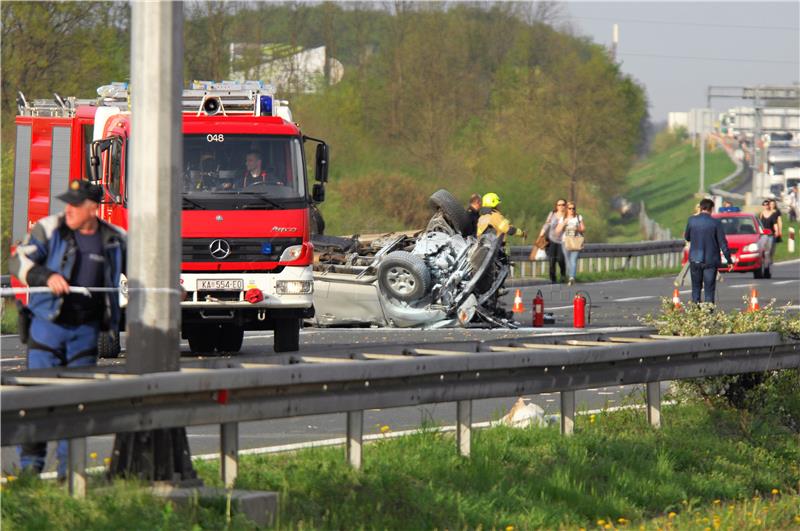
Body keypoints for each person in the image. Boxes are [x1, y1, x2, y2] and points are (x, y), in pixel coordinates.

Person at [9, 180, 126, 480]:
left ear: (92, 208)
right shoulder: (50, 228)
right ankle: (29, 473)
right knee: (38, 402)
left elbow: (145, 269)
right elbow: (17, 260)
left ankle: (69, 474)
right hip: (47, 329)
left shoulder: (114, 238)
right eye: (67, 203)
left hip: (85, 334)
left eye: (75, 204)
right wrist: (44, 275)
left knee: (76, 407)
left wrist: (169, 288)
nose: (69, 209)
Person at [684, 198, 733, 303]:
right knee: (709, 289)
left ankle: (695, 313)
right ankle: (708, 314)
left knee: (696, 288)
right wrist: (729, 260)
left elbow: (687, 237)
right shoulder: (716, 223)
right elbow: (723, 243)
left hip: (695, 259)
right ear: (711, 209)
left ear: (701, 207)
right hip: (711, 261)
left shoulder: (691, 220)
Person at [556, 201, 585, 286]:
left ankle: (572, 277)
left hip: (576, 241)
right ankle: (570, 276)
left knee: (573, 260)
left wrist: (577, 229)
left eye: (573, 208)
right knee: (567, 260)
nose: (572, 210)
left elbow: (583, 229)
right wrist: (564, 223)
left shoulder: (578, 217)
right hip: (565, 241)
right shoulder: (563, 218)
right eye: (570, 208)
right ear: (566, 209)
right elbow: (557, 231)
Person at [538, 199, 567, 283]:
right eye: (559, 205)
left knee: (561, 259)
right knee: (552, 260)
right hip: (551, 240)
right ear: (556, 206)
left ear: (565, 206)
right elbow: (547, 224)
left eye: (563, 204)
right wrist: (542, 232)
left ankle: (563, 274)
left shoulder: (567, 215)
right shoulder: (552, 214)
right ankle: (552, 278)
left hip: (563, 241)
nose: (561, 206)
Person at [760, 199, 782, 263]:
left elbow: (775, 224)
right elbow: (759, 224)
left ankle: (769, 258)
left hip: (771, 234)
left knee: (770, 248)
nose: (766, 206)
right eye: (764, 205)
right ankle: (764, 260)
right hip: (763, 234)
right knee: (763, 248)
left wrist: (777, 231)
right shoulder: (761, 214)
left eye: (767, 205)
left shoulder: (773, 214)